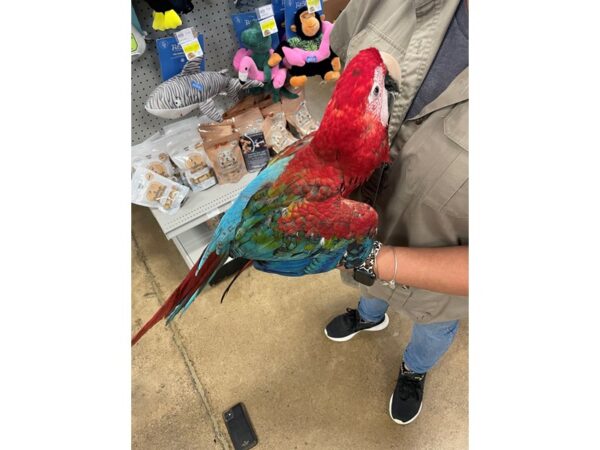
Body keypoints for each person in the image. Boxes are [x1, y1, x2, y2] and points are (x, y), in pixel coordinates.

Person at [323, 0, 469, 425]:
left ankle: (414, 370)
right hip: (362, 236)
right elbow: (340, 48)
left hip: (437, 288)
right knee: (367, 290)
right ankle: (368, 317)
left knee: (431, 330)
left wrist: (368, 256)